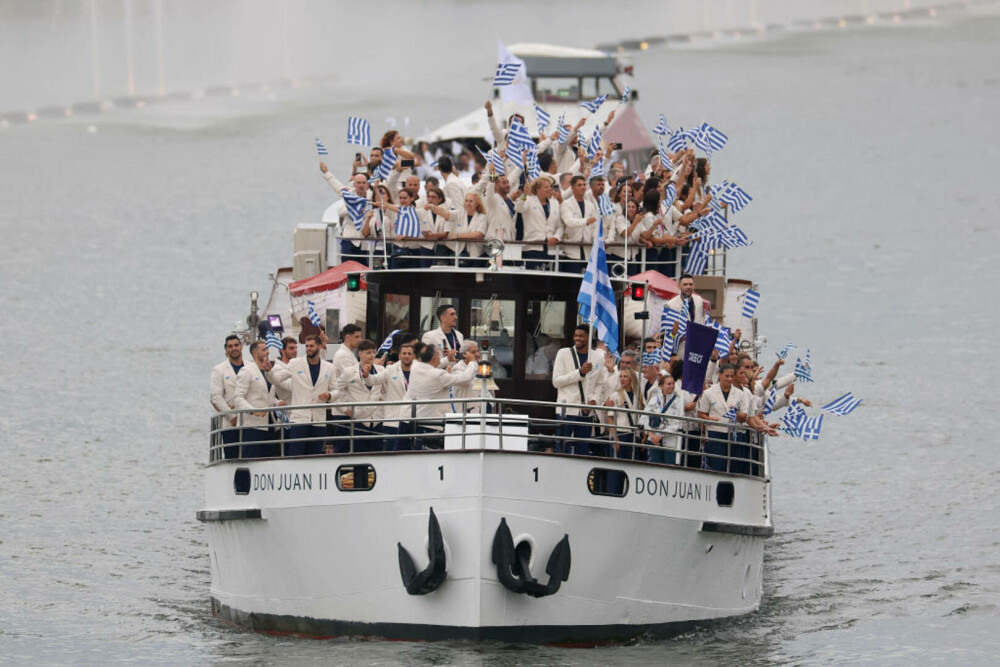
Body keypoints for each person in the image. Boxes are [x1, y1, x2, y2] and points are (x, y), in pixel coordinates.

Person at [270, 335, 337, 456]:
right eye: (306, 346)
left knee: (314, 456)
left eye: (311, 346)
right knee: (295, 456)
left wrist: (329, 395)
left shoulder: (329, 367)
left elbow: (336, 390)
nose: (308, 349)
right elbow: (277, 379)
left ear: (319, 347)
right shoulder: (295, 363)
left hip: (319, 421)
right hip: (299, 419)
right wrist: (268, 371)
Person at [407, 343, 478, 449]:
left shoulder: (415, 366)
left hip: (413, 418)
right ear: (434, 358)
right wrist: (472, 363)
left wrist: (447, 359)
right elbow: (465, 378)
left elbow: (429, 366)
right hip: (430, 423)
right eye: (438, 354)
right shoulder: (438, 375)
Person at [552, 325, 608, 456]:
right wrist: (580, 373)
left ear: (588, 337)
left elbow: (600, 384)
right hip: (567, 410)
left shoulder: (598, 357)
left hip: (586, 411)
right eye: (575, 335)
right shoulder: (563, 353)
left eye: (581, 336)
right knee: (562, 448)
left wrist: (594, 400)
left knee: (582, 450)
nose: (577, 338)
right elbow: (556, 381)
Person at [234, 340, 283, 458]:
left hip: (270, 423)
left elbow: (268, 396)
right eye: (264, 349)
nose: (268, 351)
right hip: (253, 425)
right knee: (252, 457)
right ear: (255, 353)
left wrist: (277, 402)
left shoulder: (269, 371)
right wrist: (253, 410)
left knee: (270, 458)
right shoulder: (246, 371)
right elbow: (238, 398)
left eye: (267, 349)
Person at [697, 363, 749, 473]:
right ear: (720, 375)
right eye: (726, 376)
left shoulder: (740, 394)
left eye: (731, 376)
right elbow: (701, 414)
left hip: (734, 434)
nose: (729, 379)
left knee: (734, 467)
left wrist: (735, 413)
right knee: (718, 466)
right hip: (716, 432)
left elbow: (744, 416)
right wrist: (711, 420)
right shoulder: (709, 393)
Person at [333, 339, 385, 452]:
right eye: (368, 352)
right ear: (360, 354)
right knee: (358, 456)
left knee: (378, 456)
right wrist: (344, 408)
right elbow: (335, 389)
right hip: (358, 419)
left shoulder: (381, 370)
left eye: (373, 352)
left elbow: (386, 390)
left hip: (378, 418)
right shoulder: (349, 371)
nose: (372, 355)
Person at [366, 341, 416, 450]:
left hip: (413, 421)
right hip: (393, 421)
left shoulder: (420, 371)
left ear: (414, 356)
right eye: (404, 353)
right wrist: (366, 375)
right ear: (399, 355)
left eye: (409, 354)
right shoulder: (390, 370)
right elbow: (374, 380)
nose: (406, 356)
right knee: (392, 455)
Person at [515, 175, 562, 270]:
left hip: (550, 248)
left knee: (549, 281)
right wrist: (524, 194)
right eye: (546, 187)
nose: (549, 189)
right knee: (533, 280)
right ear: (537, 189)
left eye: (550, 187)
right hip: (533, 248)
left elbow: (560, 226)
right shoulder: (528, 200)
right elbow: (518, 208)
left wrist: (556, 237)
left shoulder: (555, 203)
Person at [210, 334, 245, 459]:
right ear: (226, 350)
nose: (234, 348)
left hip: (250, 421)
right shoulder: (219, 370)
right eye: (230, 346)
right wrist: (232, 417)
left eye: (236, 345)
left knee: (250, 456)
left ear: (241, 347)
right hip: (230, 424)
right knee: (233, 458)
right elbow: (215, 398)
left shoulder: (251, 367)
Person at [558, 175, 599, 273]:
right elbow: (568, 221)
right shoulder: (566, 204)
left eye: (584, 185)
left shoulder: (590, 205)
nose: (583, 187)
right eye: (579, 185)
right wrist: (586, 221)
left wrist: (595, 239)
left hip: (588, 251)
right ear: (572, 187)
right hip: (571, 252)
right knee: (572, 283)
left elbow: (595, 226)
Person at [641, 374, 685, 465]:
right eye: (669, 384)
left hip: (670, 443)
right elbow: (643, 418)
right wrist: (651, 434)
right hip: (653, 440)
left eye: (673, 384)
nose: (672, 386)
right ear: (661, 386)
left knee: (669, 470)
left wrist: (660, 436)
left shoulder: (679, 402)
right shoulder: (654, 400)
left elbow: (677, 424)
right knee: (654, 468)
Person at [605, 368, 644, 460]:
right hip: (619, 433)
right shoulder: (615, 395)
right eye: (621, 376)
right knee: (617, 465)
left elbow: (644, 416)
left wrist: (644, 436)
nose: (622, 379)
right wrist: (615, 438)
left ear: (631, 378)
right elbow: (610, 418)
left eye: (625, 376)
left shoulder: (639, 396)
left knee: (632, 465)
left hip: (634, 434)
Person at [271, 336, 297, 404]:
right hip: (288, 410)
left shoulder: (297, 364)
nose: (295, 351)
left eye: (295, 348)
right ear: (282, 350)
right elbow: (291, 386)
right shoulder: (276, 369)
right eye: (291, 348)